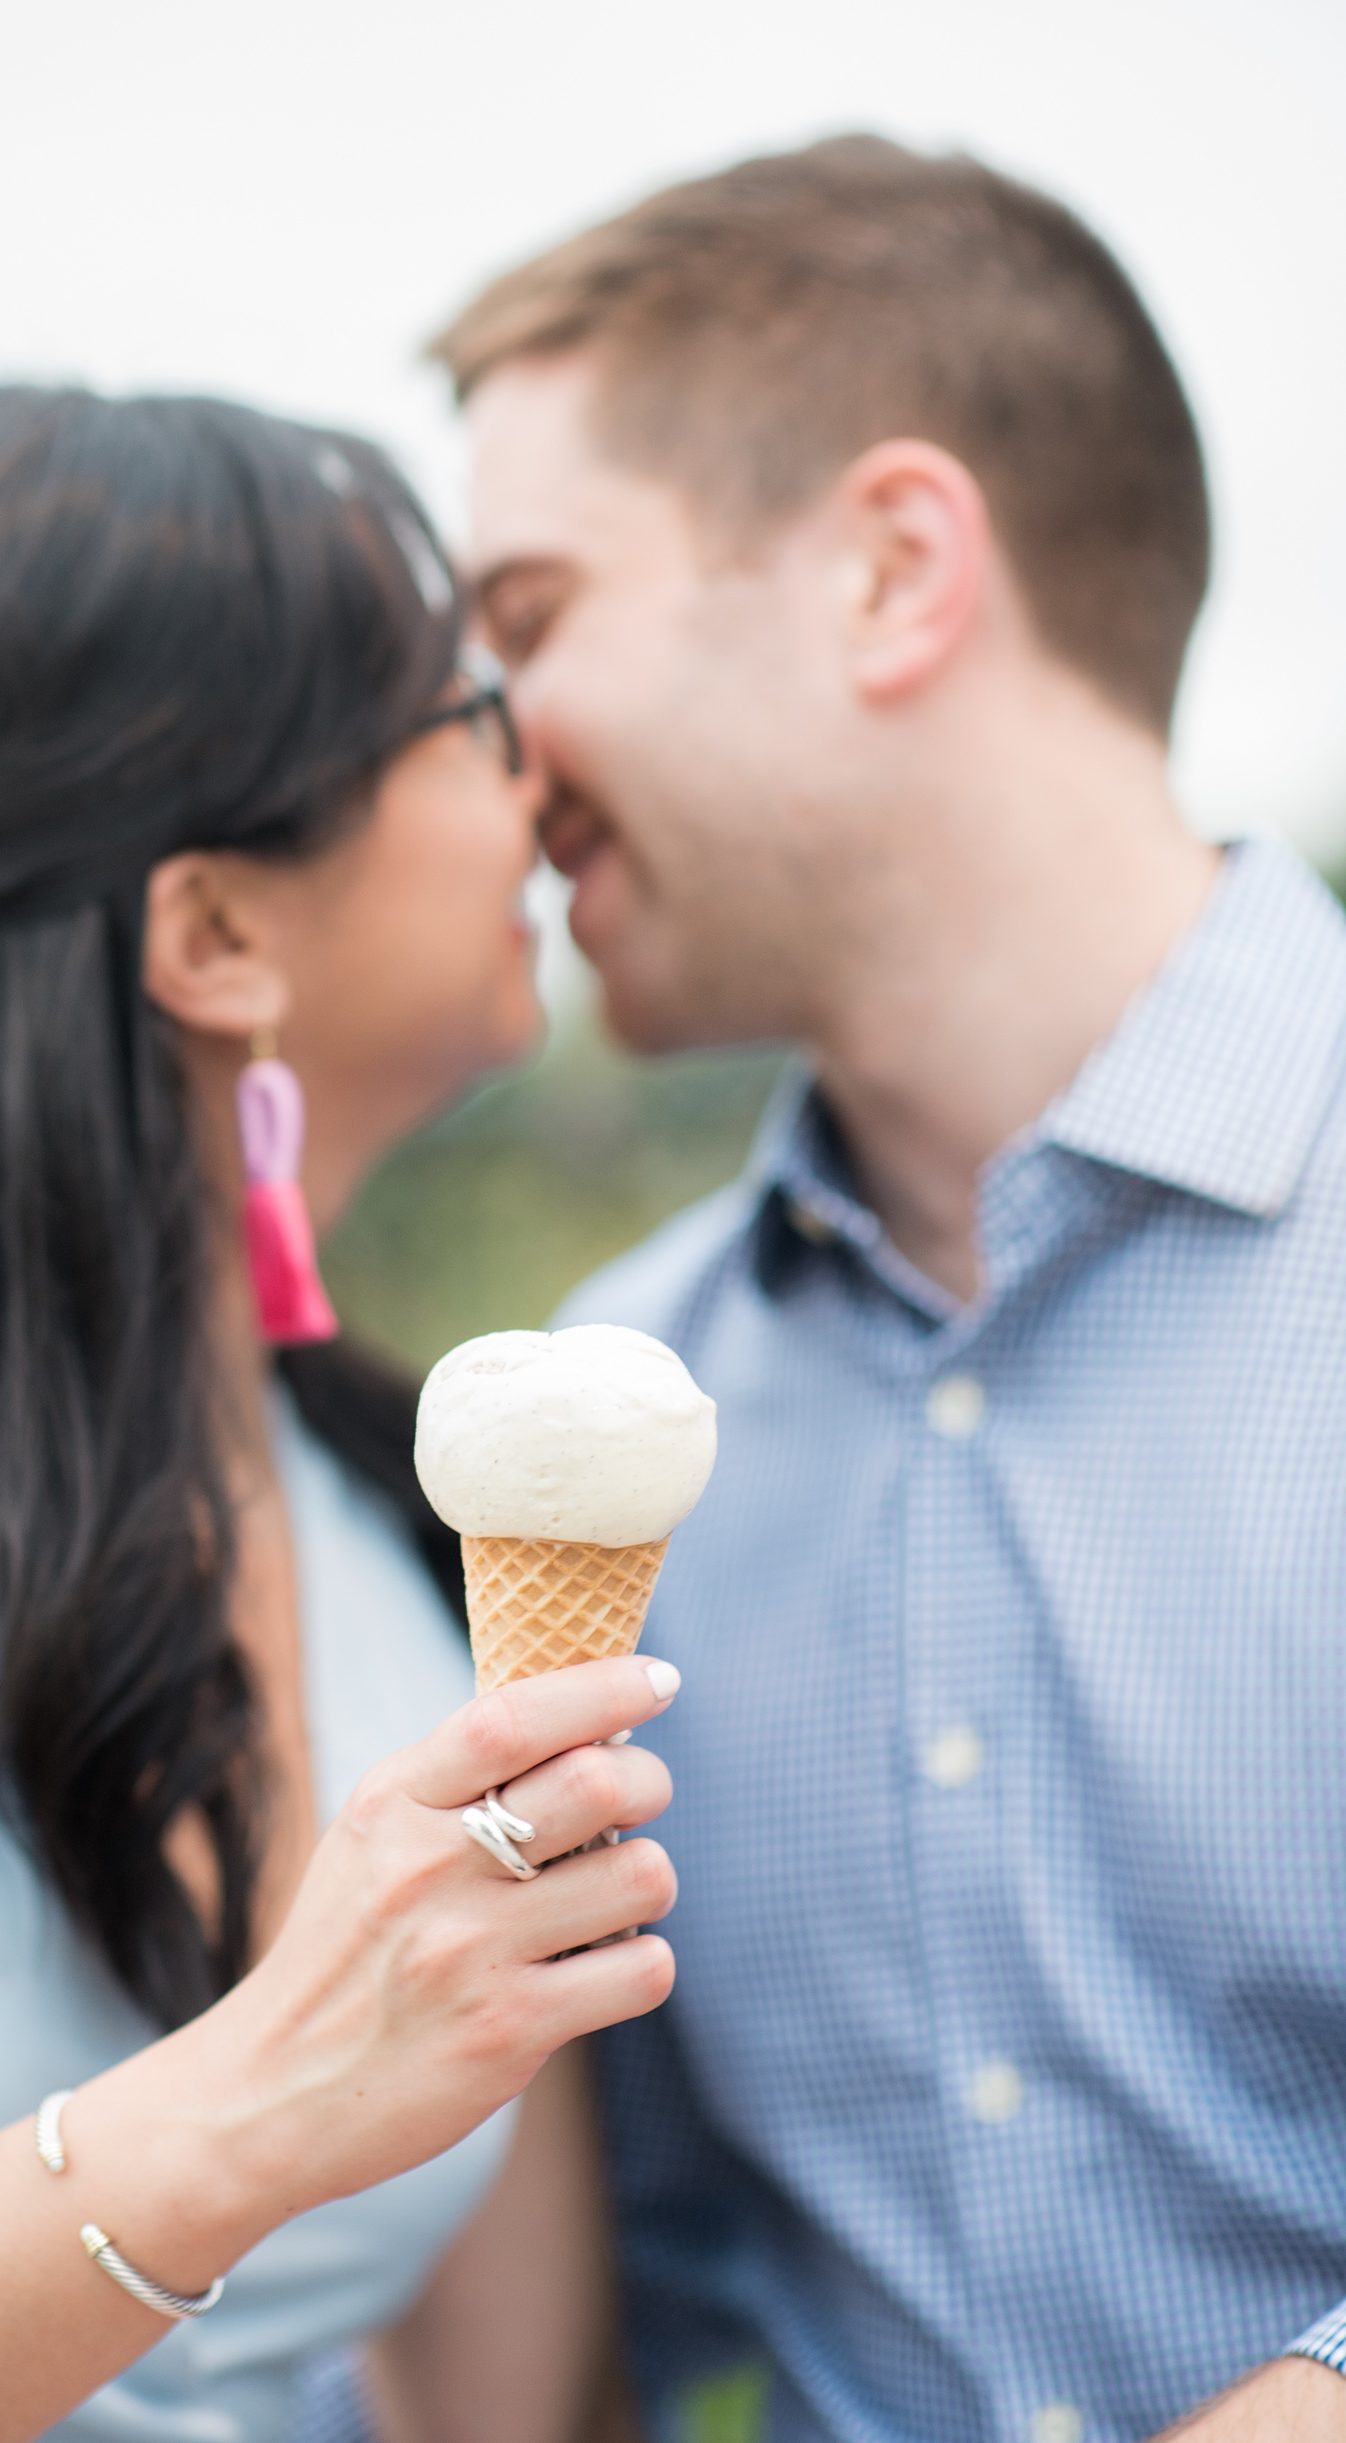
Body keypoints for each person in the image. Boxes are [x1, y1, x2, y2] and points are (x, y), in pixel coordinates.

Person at [0, 383, 683, 2442]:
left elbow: (517, 2408)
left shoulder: (412, 1518)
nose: (541, 763)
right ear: (212, 931)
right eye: (471, 710)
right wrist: (259, 2103)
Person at [432, 137, 1346, 2441]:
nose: (475, 755)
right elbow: (536, 2348)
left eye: (526, 621)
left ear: (890, 567)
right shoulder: (600, 1437)